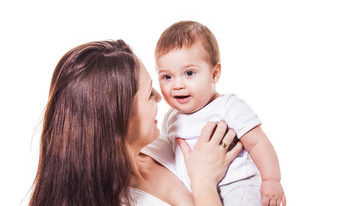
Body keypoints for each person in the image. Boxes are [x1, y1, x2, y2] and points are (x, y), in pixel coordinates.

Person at [29, 39, 242, 206]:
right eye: (149, 93)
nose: (160, 97)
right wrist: (204, 182)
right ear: (119, 115)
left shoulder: (162, 145)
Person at [154, 21, 286, 206]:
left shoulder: (228, 107)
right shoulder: (170, 118)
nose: (177, 85)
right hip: (201, 194)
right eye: (167, 76)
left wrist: (271, 180)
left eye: (189, 73)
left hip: (238, 188)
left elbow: (258, 142)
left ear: (215, 74)